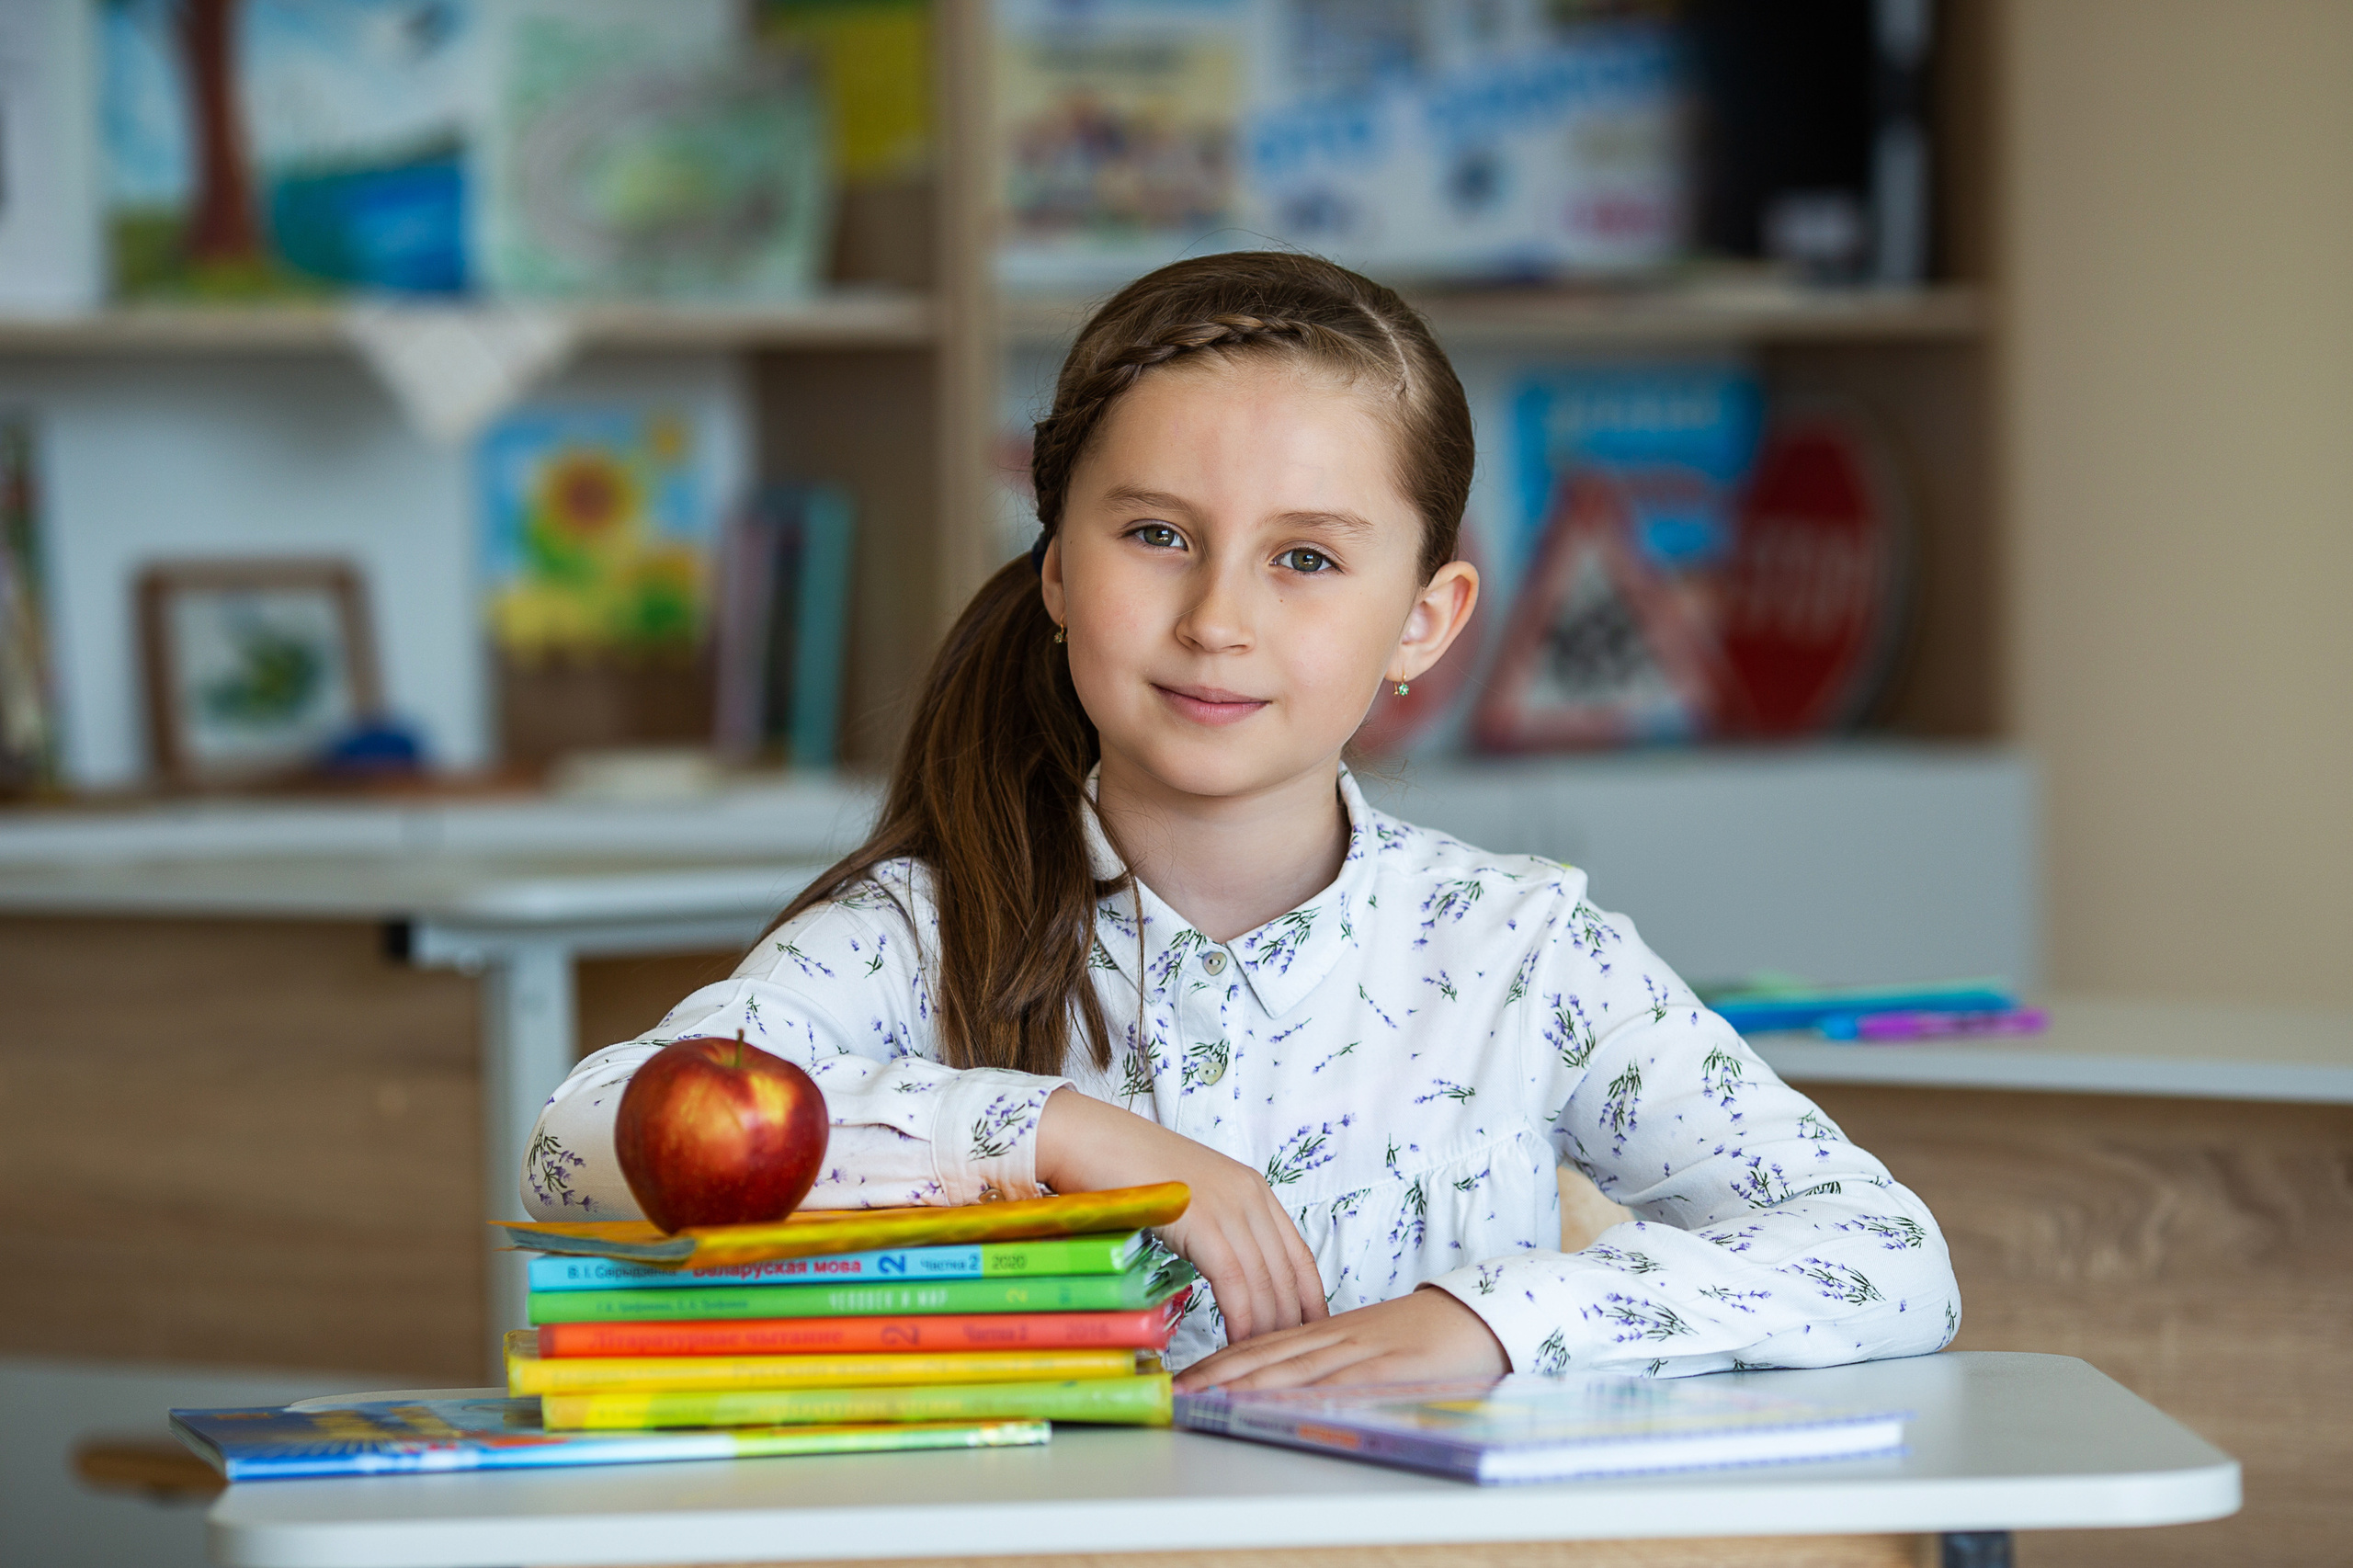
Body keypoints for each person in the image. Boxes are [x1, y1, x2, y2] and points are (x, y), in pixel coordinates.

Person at [523, 252, 1959, 1391]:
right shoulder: (923, 929)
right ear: (1058, 572)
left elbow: (1886, 1255)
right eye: (1156, 535)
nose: (1218, 620)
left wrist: (1492, 1321)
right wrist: (1050, 1128)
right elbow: (583, 1144)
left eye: (1308, 558)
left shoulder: (1522, 953)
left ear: (1424, 618)